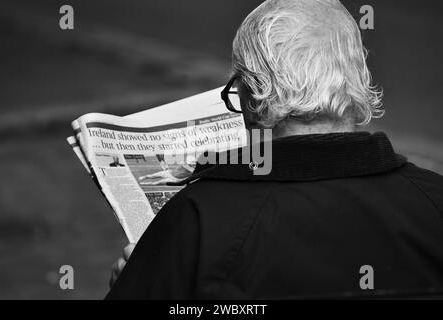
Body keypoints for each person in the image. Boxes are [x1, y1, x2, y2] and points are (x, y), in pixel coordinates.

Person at [106, 0, 443, 299]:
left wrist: (141, 278)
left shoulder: (199, 220)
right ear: (357, 78)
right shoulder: (434, 202)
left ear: (252, 95)